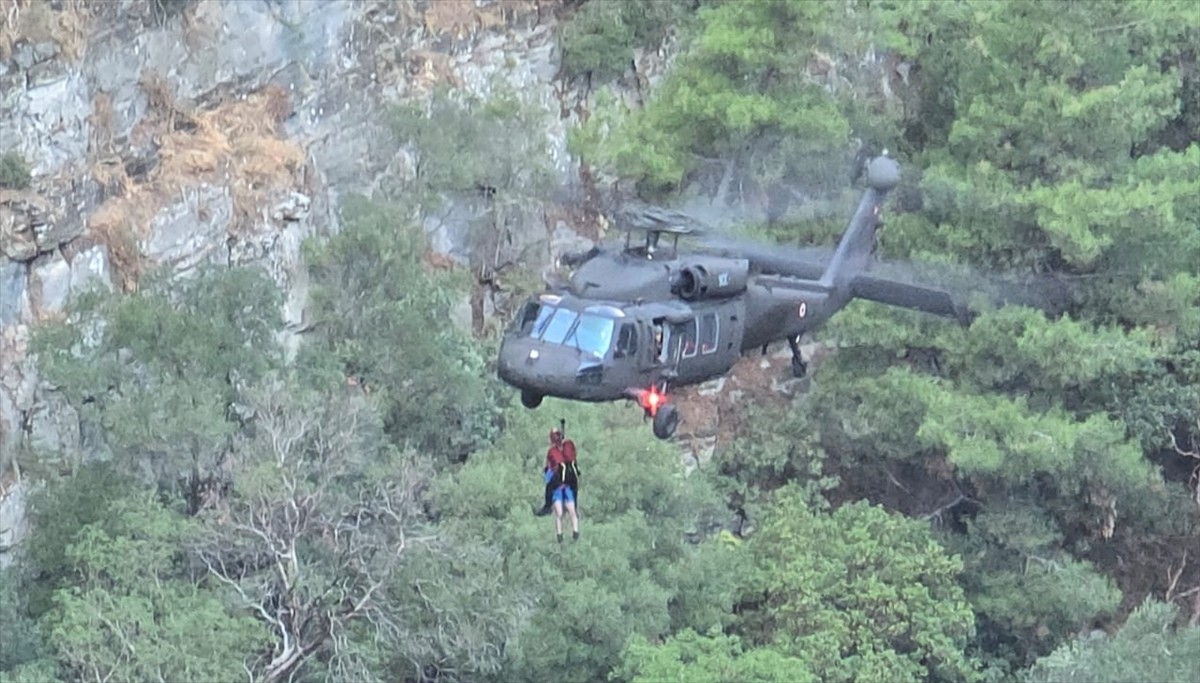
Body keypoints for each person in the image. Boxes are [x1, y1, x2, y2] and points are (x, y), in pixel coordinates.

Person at [534, 428, 580, 542]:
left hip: (559, 483)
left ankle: (547, 508)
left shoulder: (554, 452)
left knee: (560, 512)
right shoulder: (567, 448)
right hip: (570, 482)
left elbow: (550, 469)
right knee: (571, 511)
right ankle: (573, 531)